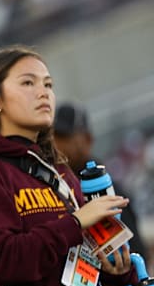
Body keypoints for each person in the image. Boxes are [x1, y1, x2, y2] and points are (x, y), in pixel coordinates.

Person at [0, 45, 137, 286]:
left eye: (49, 84)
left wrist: (117, 272)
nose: (44, 93)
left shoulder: (62, 175)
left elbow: (79, 273)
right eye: (28, 83)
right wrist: (76, 223)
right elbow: (4, 260)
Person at [53, 101, 150, 263]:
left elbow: (134, 252)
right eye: (53, 136)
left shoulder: (104, 187)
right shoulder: (52, 182)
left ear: (88, 140)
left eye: (64, 137)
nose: (56, 144)